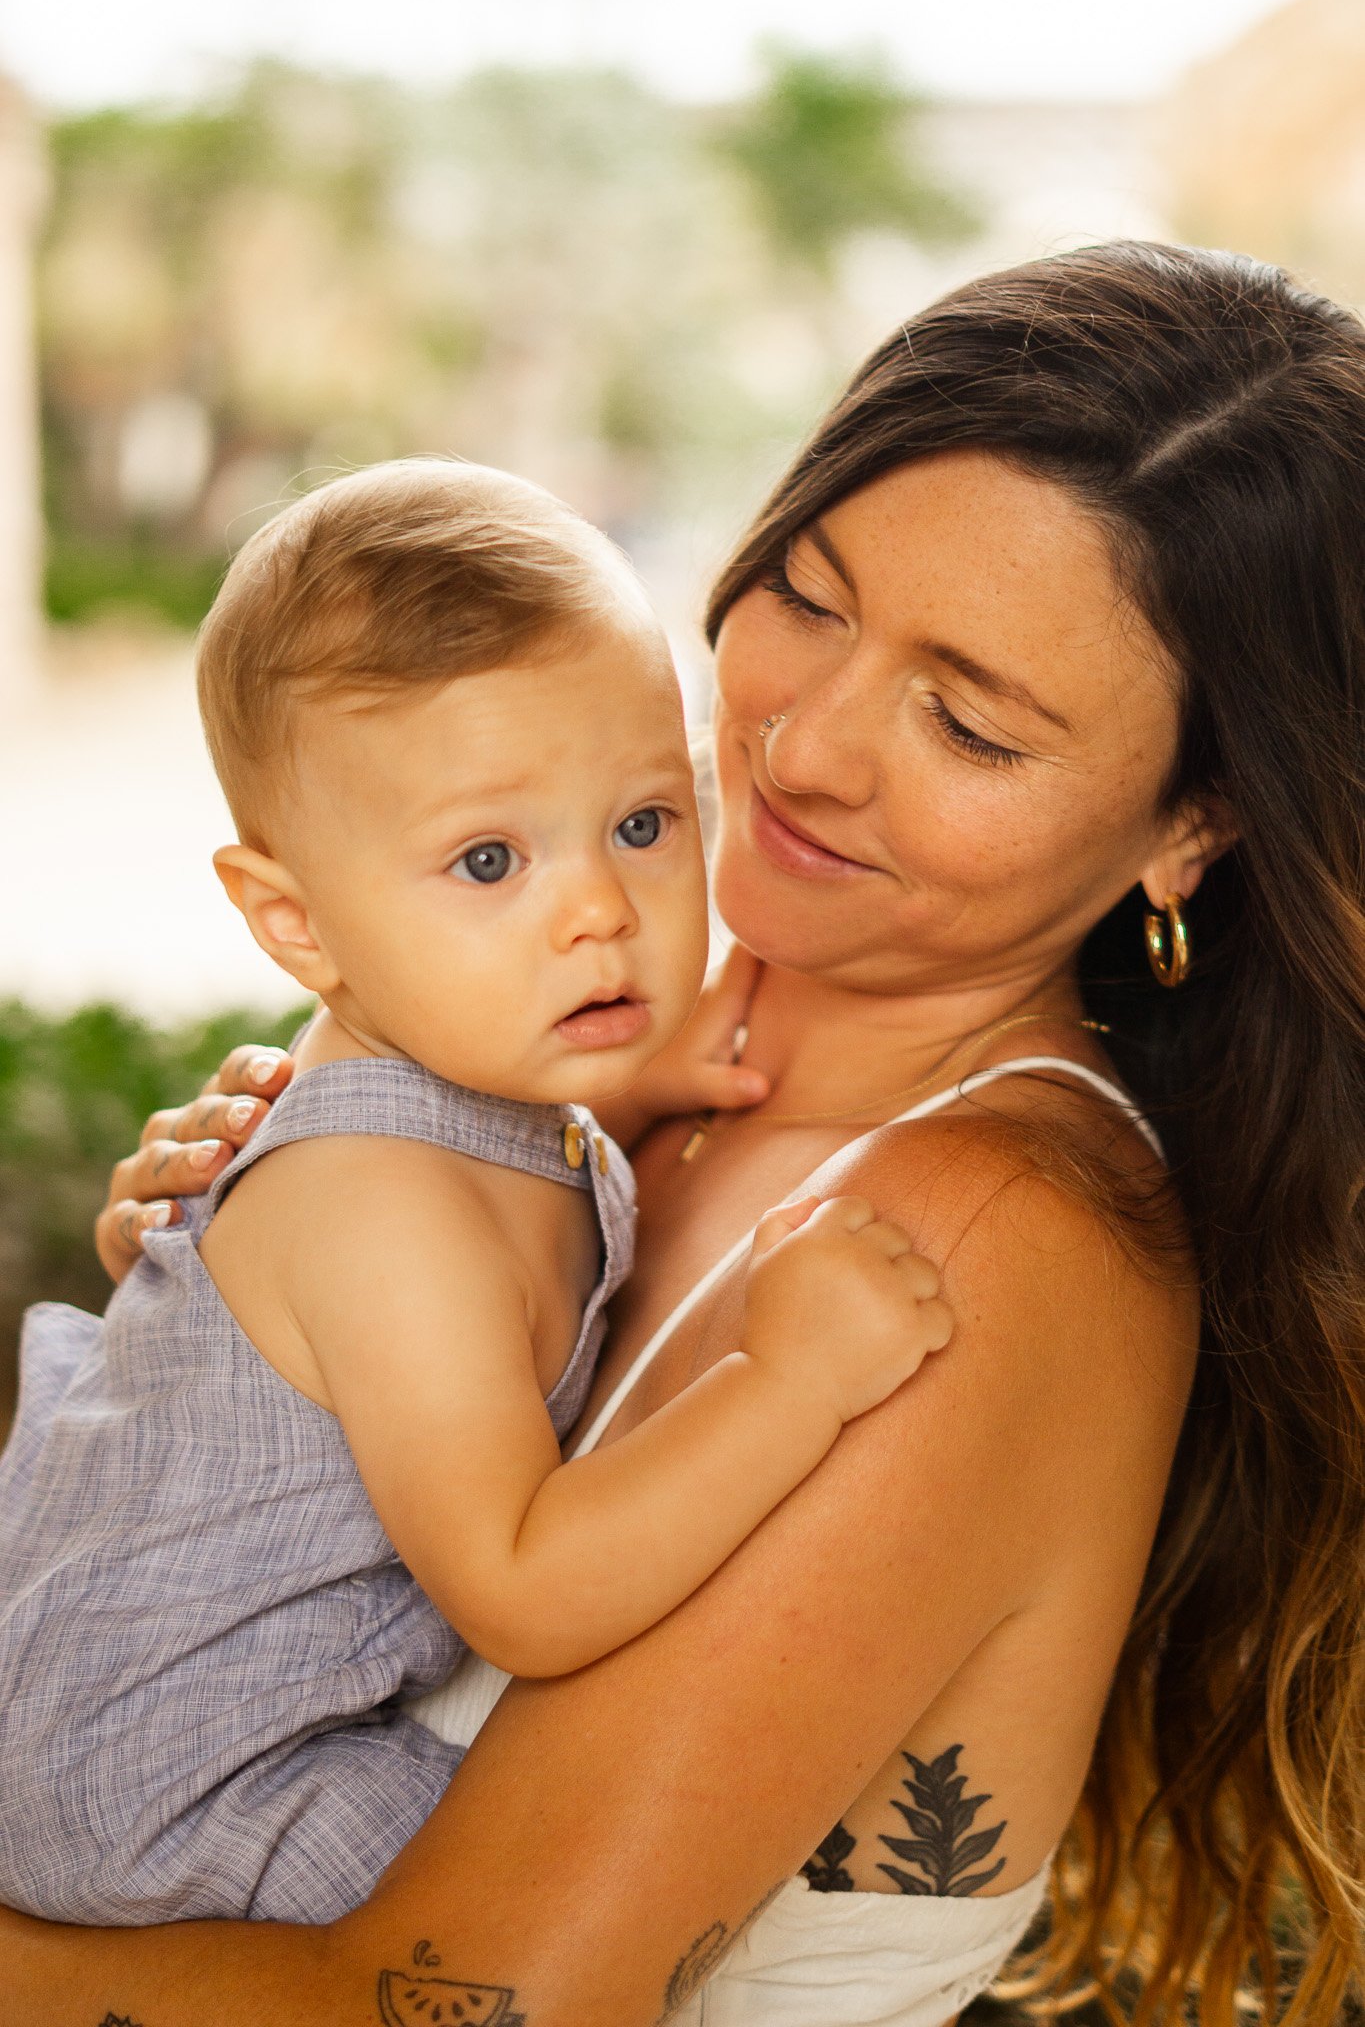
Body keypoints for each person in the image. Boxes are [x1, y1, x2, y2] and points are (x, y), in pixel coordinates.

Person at [5, 239, 1365, 2027]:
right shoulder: (582, 1069)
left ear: (1188, 828)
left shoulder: (971, 1244)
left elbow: (465, 2006)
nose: (799, 747)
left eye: (963, 722)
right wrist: (237, 1332)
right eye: (806, 596)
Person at [0, 461, 947, 1926]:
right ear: (295, 923)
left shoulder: (471, 1089)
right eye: (489, 860)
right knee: (557, 1898)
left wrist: (636, 1086)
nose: (597, 909)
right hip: (176, 1781)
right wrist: (789, 1379)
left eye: (643, 822)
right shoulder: (386, 1215)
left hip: (191, 1725)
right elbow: (518, 1581)